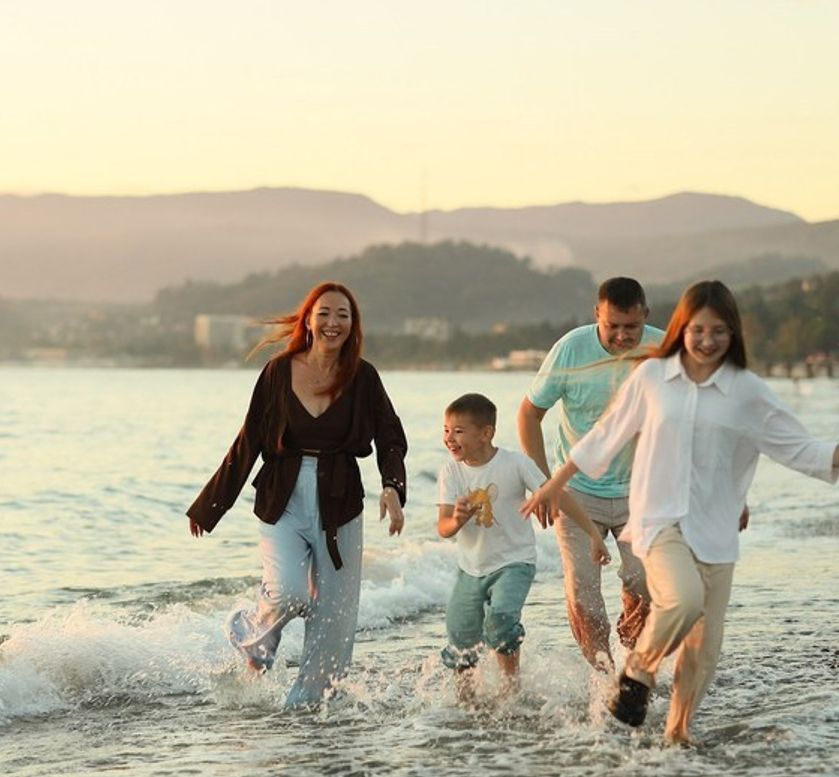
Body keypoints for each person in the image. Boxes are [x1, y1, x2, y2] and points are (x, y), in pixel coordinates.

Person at [522, 279, 839, 746]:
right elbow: (605, 434)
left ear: (732, 333)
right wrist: (551, 484)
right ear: (682, 328)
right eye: (698, 330)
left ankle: (677, 736)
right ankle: (636, 673)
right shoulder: (655, 376)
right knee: (682, 599)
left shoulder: (746, 390)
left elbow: (799, 446)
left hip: (716, 525)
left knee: (705, 646)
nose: (707, 340)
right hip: (660, 518)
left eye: (718, 331)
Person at [188, 281, 407, 708]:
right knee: (287, 591)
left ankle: (306, 705)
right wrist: (211, 504)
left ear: (353, 325)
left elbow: (390, 436)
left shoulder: (363, 376)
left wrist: (392, 487)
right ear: (308, 318)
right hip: (282, 497)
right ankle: (251, 636)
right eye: (324, 312)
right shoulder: (278, 371)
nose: (333, 322)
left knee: (335, 619)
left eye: (343, 315)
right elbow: (248, 439)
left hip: (339, 502)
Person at [517, 276, 664, 671]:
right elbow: (530, 413)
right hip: (577, 490)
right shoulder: (571, 349)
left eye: (630, 327)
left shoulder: (663, 351)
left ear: (645, 317)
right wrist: (544, 482)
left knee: (646, 585)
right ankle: (603, 675)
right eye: (611, 325)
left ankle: (632, 648)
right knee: (584, 591)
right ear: (596, 314)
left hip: (641, 491)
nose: (620, 335)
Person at [438, 392, 609, 701]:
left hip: (514, 562)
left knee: (501, 620)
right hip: (471, 569)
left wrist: (593, 534)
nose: (449, 438)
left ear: (486, 433)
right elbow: (444, 527)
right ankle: (466, 702)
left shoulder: (516, 464)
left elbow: (557, 493)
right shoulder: (451, 472)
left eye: (458, 431)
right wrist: (458, 520)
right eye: (446, 430)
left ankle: (510, 691)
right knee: (460, 637)